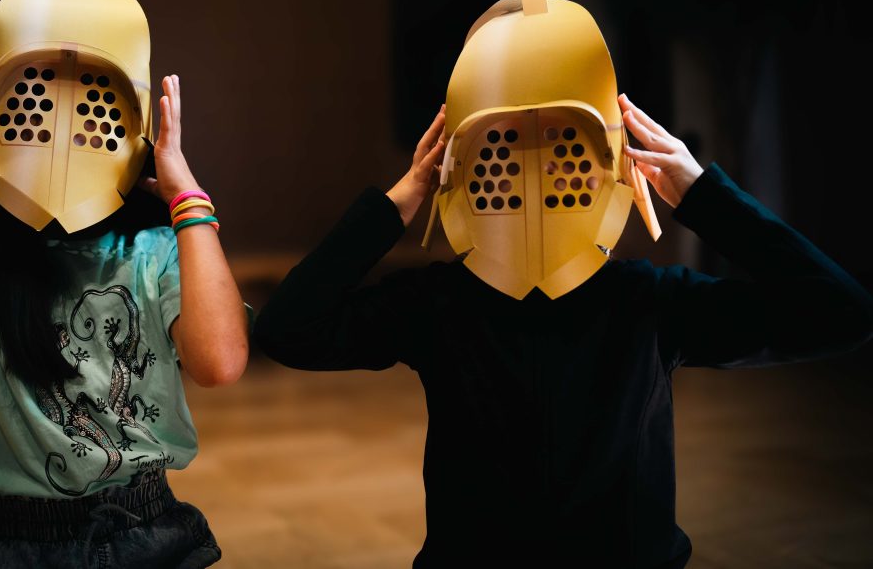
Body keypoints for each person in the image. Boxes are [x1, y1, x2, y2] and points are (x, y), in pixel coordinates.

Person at [251, 92, 873, 567]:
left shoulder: (649, 303)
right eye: (506, 150)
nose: (535, 175)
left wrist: (704, 195)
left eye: (561, 153)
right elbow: (288, 328)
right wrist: (402, 197)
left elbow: (841, 315)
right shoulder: (439, 303)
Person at [0, 63, 251, 568]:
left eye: (90, 115)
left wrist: (187, 201)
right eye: (37, 112)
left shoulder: (157, 253)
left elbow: (219, 363)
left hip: (151, 532)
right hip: (10, 542)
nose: (64, 144)